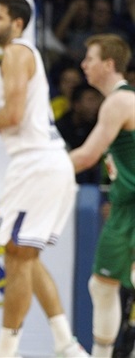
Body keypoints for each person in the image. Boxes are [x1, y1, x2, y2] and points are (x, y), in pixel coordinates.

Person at [0, 0, 87, 357]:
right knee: (25, 256)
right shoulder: (21, 55)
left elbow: (14, 114)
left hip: (37, 163)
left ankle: (6, 351)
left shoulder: (16, 53)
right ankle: (65, 342)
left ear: (17, 24)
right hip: (44, 163)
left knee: (17, 257)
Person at [67, 34, 135, 358]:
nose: (84, 64)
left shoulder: (119, 101)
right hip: (125, 204)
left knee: (108, 285)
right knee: (103, 285)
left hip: (132, 206)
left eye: (90, 58)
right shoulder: (121, 101)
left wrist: (39, 171)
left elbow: (85, 157)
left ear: (109, 64)